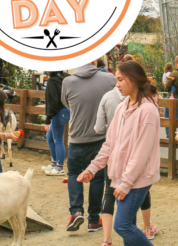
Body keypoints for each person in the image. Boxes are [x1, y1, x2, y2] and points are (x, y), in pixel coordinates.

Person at [78, 61, 161, 246]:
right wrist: (92, 169)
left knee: (122, 225)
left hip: (136, 179)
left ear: (133, 80)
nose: (117, 84)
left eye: (121, 80)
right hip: (122, 177)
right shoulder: (122, 107)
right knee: (128, 225)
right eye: (117, 80)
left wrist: (126, 184)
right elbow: (110, 144)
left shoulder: (147, 111)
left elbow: (141, 153)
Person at [62, 60, 117, 232]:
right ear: (95, 60)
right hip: (100, 137)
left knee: (73, 173)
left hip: (77, 137)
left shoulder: (68, 81)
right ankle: (94, 220)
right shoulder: (109, 79)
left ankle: (76, 211)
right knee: (98, 178)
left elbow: (66, 103)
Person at [43, 71, 70, 176]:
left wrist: (48, 119)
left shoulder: (52, 82)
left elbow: (52, 102)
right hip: (66, 110)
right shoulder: (66, 77)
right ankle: (54, 163)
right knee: (49, 135)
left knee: (58, 139)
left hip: (59, 111)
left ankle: (60, 167)